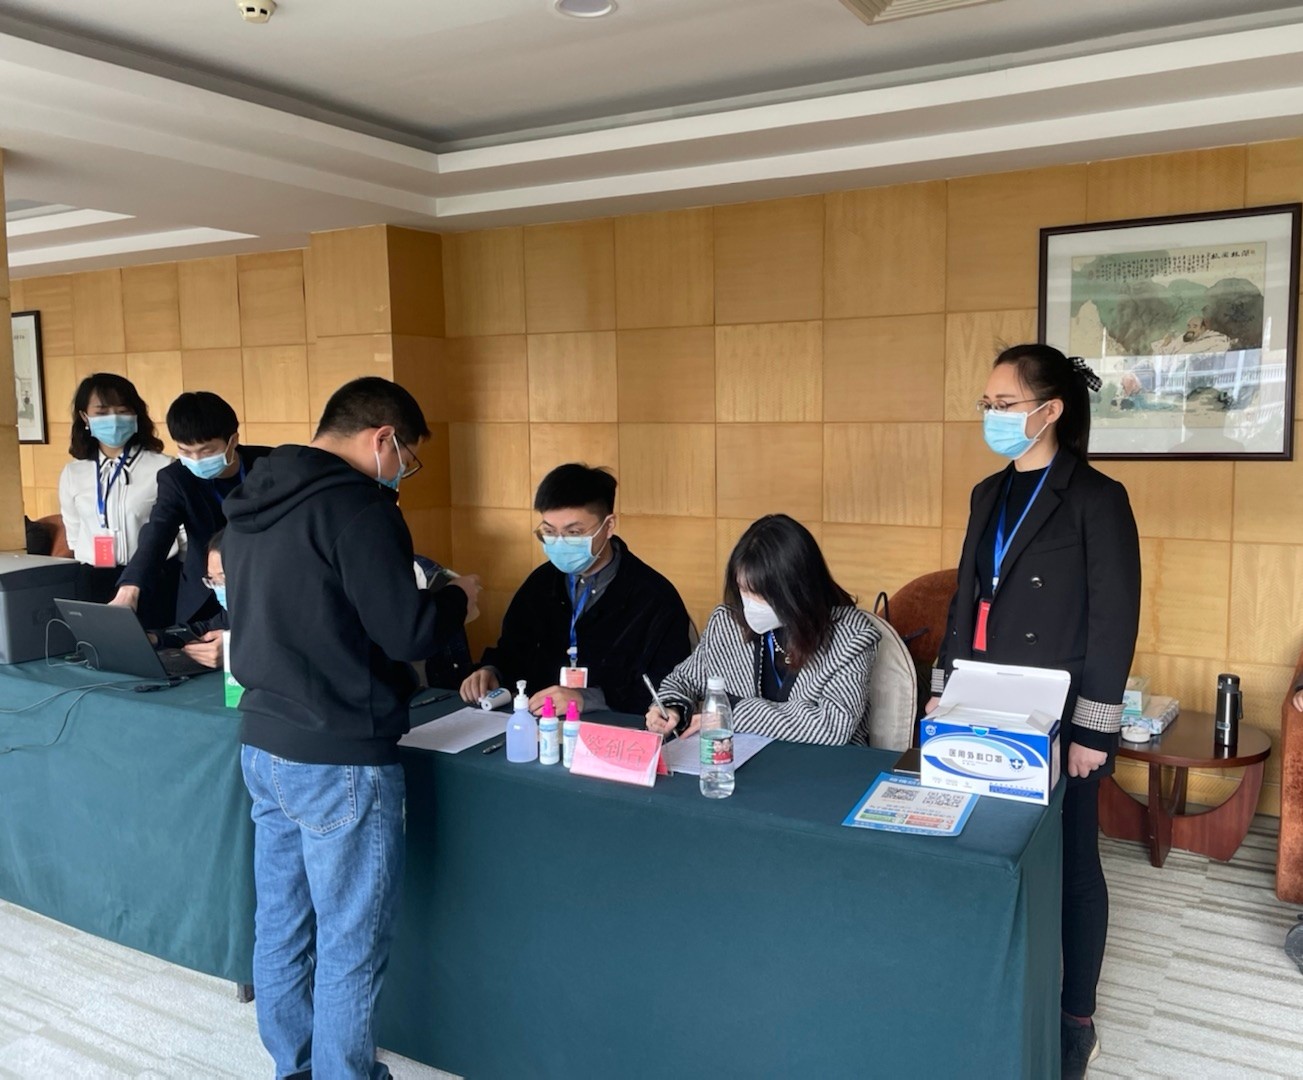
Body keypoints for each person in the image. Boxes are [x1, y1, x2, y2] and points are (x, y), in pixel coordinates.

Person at [222, 376, 482, 1080]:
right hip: (339, 752)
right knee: (349, 940)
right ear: (382, 439)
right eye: (407, 458)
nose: (403, 473)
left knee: (282, 922)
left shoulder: (250, 501)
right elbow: (405, 631)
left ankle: (296, 1067)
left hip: (263, 741)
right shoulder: (359, 508)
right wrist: (455, 598)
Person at [926, 344, 1141, 1080]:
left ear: (1049, 410)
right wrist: (943, 686)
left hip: (1056, 712)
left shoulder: (1096, 498)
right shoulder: (986, 492)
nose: (990, 416)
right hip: (981, 701)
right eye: (985, 405)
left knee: (1073, 862)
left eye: (1004, 405)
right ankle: (994, 985)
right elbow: (963, 599)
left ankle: (1075, 1016)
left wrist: (1092, 730)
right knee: (986, 846)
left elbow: (1114, 619)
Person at [459, 463, 692, 716]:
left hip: (615, 727)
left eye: (573, 532)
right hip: (539, 722)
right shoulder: (540, 583)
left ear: (608, 526)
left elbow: (668, 687)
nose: (560, 543)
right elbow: (513, 650)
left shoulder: (654, 597)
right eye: (549, 531)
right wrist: (491, 671)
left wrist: (586, 698)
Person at [645, 514, 879, 744]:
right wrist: (670, 707)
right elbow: (684, 679)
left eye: (759, 593)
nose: (749, 603)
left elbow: (834, 725)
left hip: (824, 764)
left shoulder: (850, 636)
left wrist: (730, 714)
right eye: (743, 589)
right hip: (741, 760)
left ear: (796, 590)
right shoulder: (727, 623)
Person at [112, 391, 270, 635]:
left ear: (233, 440)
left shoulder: (268, 465)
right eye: (185, 451)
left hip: (263, 587)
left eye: (207, 451)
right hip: (204, 593)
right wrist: (130, 589)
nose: (196, 459)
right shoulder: (177, 478)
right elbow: (158, 531)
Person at [57, 373, 177, 624]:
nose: (113, 419)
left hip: (153, 578)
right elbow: (74, 532)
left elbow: (181, 533)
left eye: (122, 411)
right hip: (93, 579)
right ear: (84, 417)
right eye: (102, 412)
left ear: (135, 414)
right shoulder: (73, 473)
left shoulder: (163, 467)